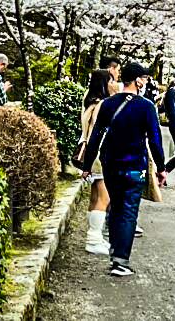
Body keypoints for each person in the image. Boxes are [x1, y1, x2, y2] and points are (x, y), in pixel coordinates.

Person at [82, 62, 166, 277]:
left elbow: (96, 136)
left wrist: (87, 165)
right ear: (138, 80)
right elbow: (155, 140)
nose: (146, 82)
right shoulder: (146, 106)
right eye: (145, 79)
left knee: (117, 208)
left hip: (110, 164)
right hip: (134, 165)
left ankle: (114, 253)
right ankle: (120, 260)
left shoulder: (108, 104)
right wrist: (161, 167)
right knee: (128, 212)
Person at [81, 69, 113, 255]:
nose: (113, 84)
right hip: (100, 154)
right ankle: (93, 239)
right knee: (104, 198)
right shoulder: (102, 105)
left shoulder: (89, 104)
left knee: (94, 197)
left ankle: (94, 237)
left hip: (90, 154)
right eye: (110, 81)